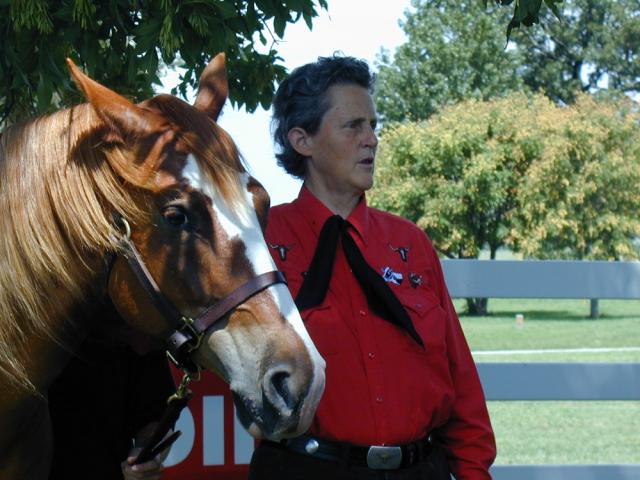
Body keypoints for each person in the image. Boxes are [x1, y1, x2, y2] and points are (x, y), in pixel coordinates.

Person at [248, 55, 496, 479]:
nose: (372, 140)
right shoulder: (263, 244)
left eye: (373, 125)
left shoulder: (409, 243)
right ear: (302, 140)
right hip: (305, 470)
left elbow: (460, 380)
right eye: (353, 126)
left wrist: (474, 472)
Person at [47, 300, 176, 480]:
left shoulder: (141, 316)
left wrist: (145, 455)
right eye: (126, 332)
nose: (141, 347)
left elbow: (154, 415)